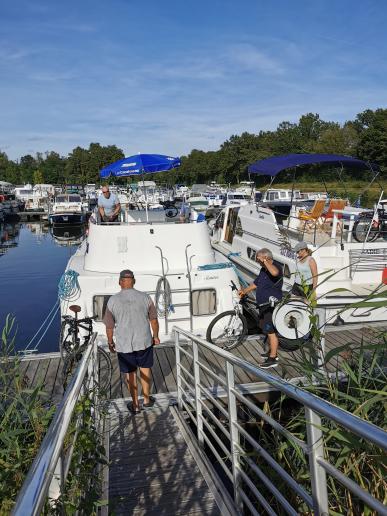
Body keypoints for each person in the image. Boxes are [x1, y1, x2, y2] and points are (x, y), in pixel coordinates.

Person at [103, 269, 160, 414]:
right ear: (134, 281)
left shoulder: (112, 301)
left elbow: (109, 326)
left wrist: (110, 342)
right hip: (144, 341)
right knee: (145, 369)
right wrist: (156, 336)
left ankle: (135, 405)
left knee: (130, 373)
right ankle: (146, 401)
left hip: (124, 344)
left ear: (120, 282)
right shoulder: (145, 298)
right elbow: (153, 320)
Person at [238, 248, 283, 369]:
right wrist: (244, 291)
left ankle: (273, 359)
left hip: (270, 305)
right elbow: (256, 283)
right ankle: (272, 352)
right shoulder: (263, 269)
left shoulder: (276, 266)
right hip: (263, 305)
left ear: (266, 258)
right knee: (267, 330)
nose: (258, 262)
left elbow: (274, 273)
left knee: (271, 331)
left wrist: (266, 261)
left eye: (259, 259)